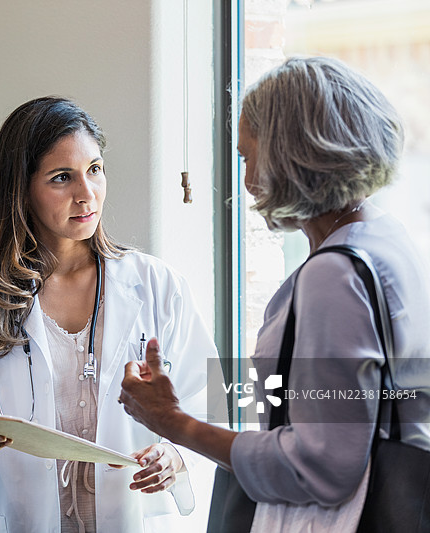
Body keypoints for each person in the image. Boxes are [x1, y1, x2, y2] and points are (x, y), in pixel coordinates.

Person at [120, 56, 430, 531]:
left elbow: (322, 467)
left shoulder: (334, 275)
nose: (246, 183)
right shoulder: (387, 240)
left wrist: (174, 423)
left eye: (248, 157)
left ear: (291, 153)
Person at [0, 96, 217, 532]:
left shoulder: (156, 285)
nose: (86, 194)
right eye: (62, 178)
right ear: (20, 189)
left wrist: (177, 456)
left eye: (94, 170)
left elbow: (209, 402)